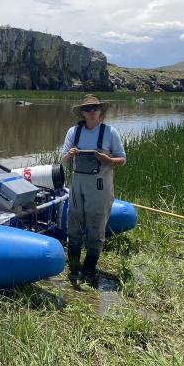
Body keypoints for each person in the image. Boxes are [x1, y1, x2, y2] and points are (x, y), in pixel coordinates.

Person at [61, 94, 126, 283]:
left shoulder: (110, 132)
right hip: (77, 184)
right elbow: (64, 161)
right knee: (74, 224)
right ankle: (73, 265)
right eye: (87, 109)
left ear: (100, 111)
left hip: (100, 186)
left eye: (95, 108)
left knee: (96, 227)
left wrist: (108, 160)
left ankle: (89, 269)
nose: (91, 112)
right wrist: (69, 154)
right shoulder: (73, 132)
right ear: (82, 112)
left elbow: (122, 159)